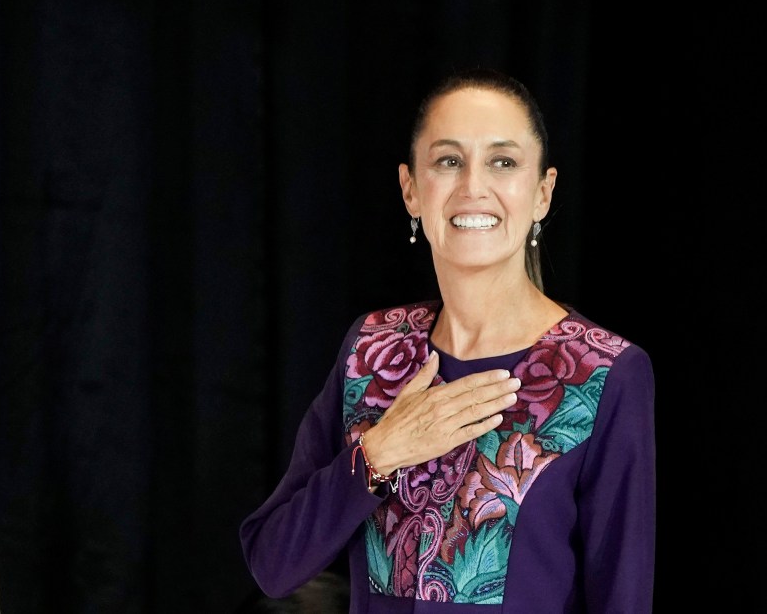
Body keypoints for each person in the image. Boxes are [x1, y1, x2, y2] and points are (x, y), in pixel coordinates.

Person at [239, 67, 657, 612]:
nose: (473, 186)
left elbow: (621, 595)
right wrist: (381, 453)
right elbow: (273, 565)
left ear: (543, 193)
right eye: (448, 161)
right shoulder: (371, 351)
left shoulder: (604, 373)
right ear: (411, 190)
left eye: (502, 162)